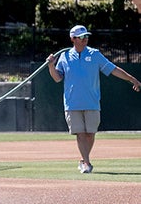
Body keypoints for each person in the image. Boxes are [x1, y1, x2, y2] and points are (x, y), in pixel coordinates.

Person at [47, 25, 140, 174]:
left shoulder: (95, 54)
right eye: (81, 37)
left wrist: (131, 79)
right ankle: (87, 163)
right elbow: (57, 78)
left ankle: (83, 160)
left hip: (92, 101)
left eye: (86, 37)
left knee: (90, 133)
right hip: (72, 103)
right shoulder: (64, 56)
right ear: (73, 39)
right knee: (80, 133)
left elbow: (113, 69)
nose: (85, 40)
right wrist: (51, 66)